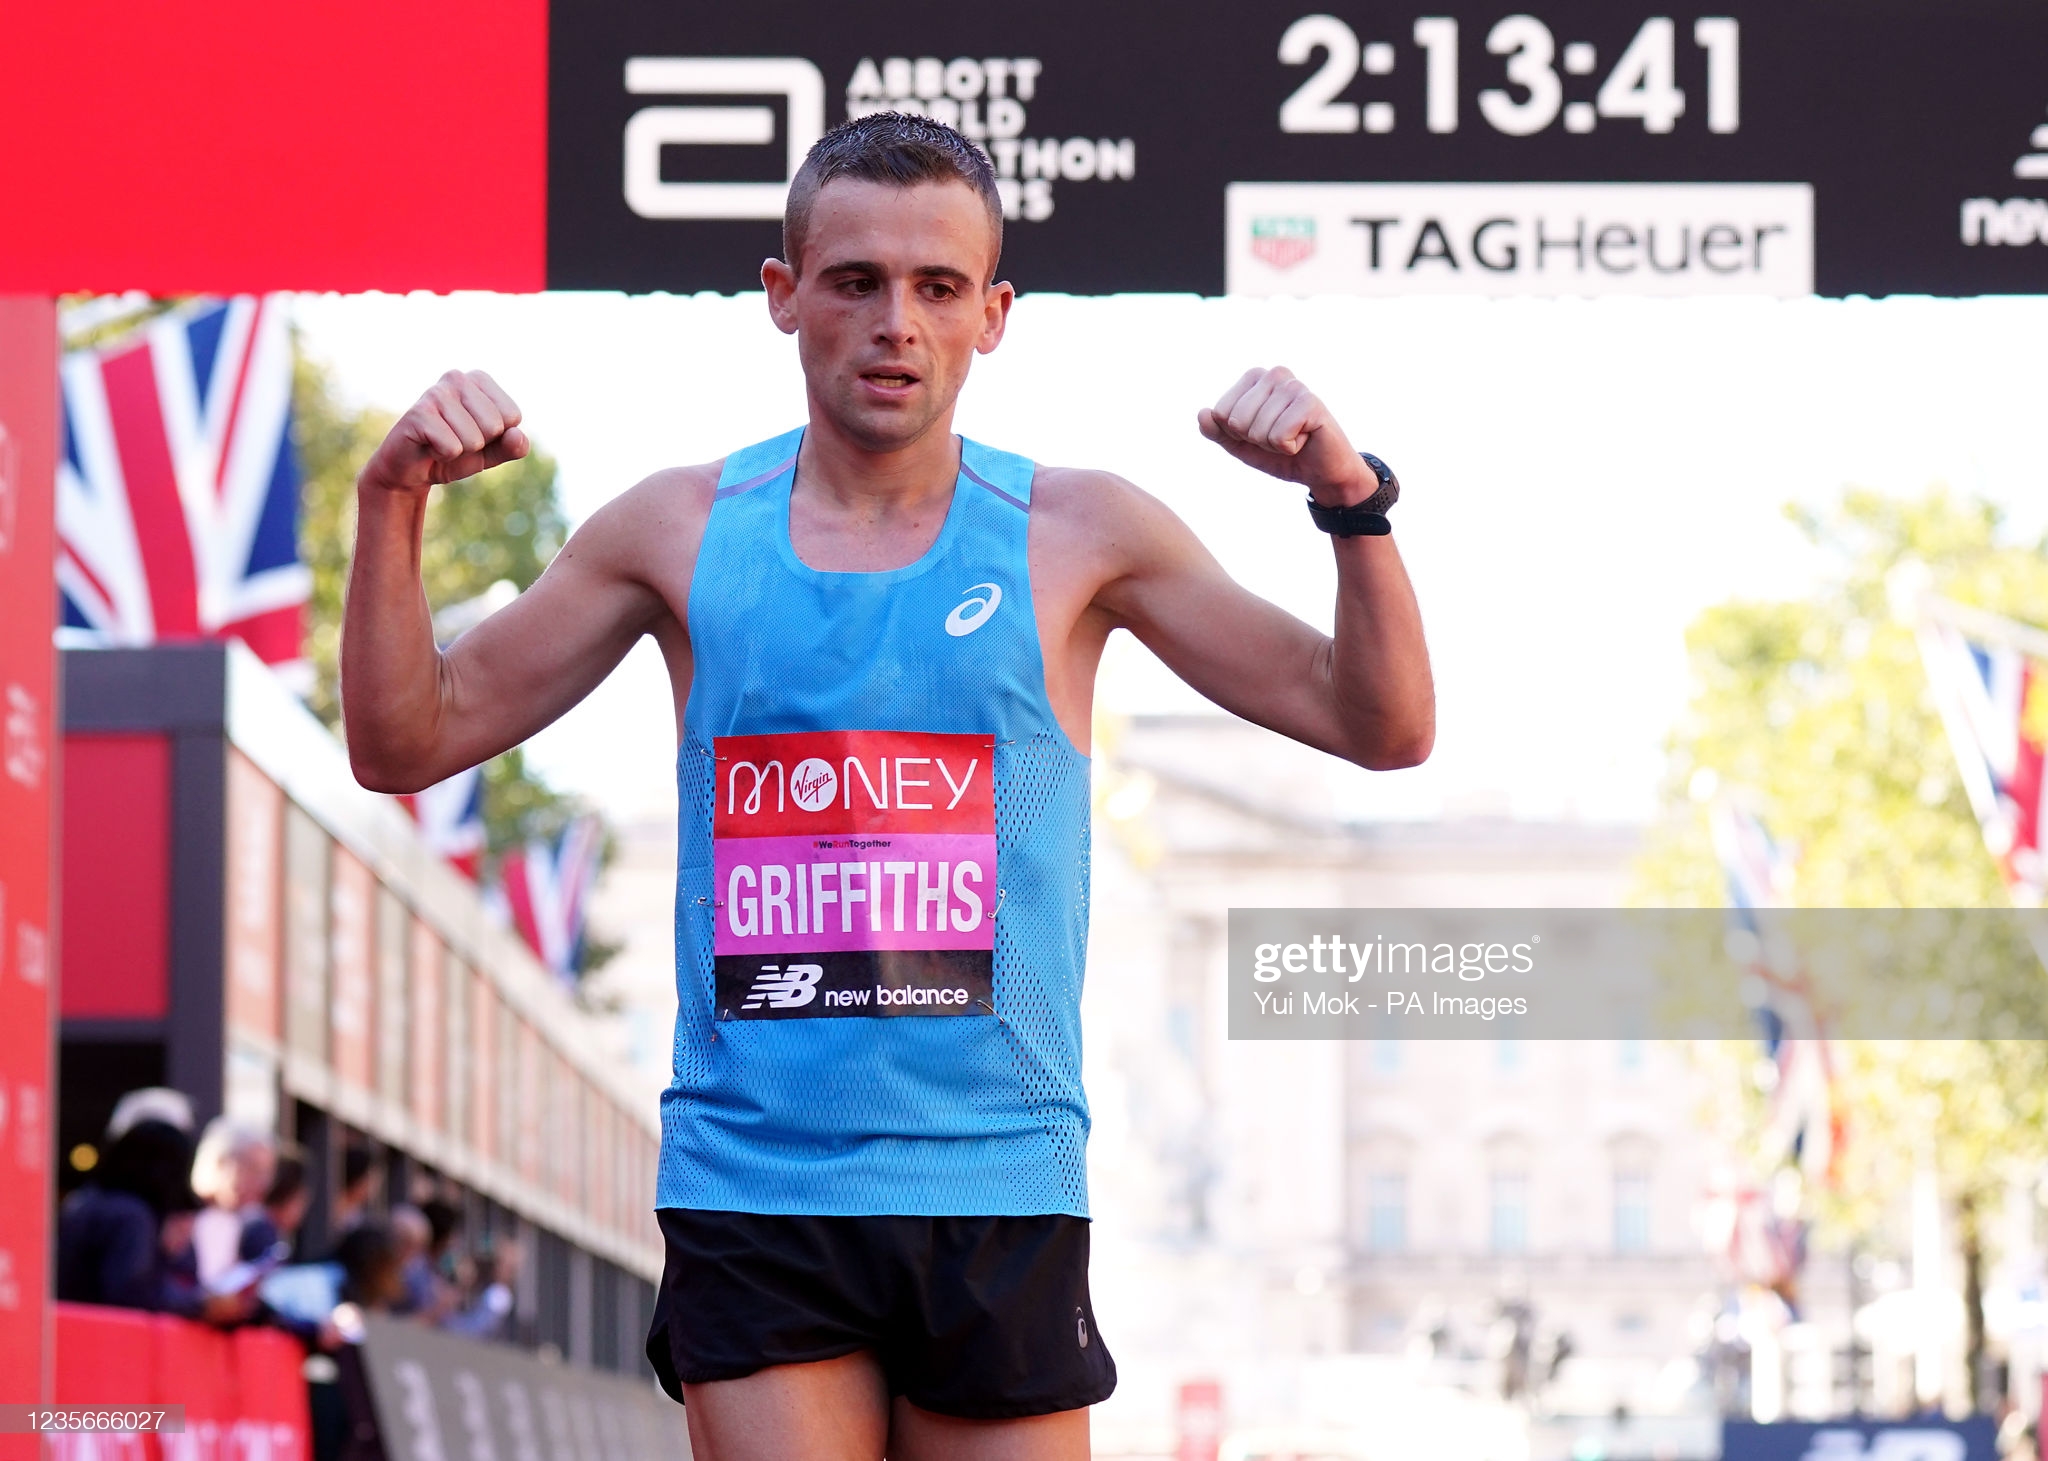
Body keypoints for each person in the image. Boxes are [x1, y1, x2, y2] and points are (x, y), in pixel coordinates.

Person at [340, 112, 1432, 1461]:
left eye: (937, 287)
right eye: (854, 281)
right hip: (758, 1181)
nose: (895, 323)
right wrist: (390, 502)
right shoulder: (673, 532)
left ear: (995, 313)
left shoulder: (1082, 533)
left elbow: (1377, 724)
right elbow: (405, 739)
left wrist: (1349, 501)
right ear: (784, 295)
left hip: (998, 1178)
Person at [56, 1118, 255, 1325]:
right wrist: (202, 1304)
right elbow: (134, 1294)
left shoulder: (86, 1202)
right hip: (98, 1342)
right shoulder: (131, 1216)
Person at [190, 1118, 277, 1288]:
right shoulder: (177, 1214)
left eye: (267, 1173)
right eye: (252, 1169)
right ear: (220, 1162)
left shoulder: (240, 1222)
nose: (263, 1183)